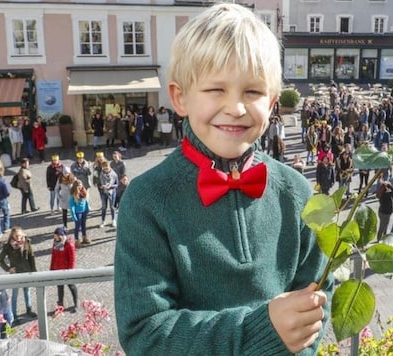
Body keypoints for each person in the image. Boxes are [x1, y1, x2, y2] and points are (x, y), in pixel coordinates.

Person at [114, 4, 332, 355]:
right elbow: (145, 333)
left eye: (253, 92)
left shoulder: (296, 191)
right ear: (180, 97)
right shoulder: (147, 200)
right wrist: (262, 330)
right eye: (216, 90)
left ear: (272, 101)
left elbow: (319, 296)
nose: (236, 107)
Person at [0, 227, 37, 320]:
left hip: (26, 271)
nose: (18, 238)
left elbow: (31, 257)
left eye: (19, 235)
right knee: (15, 294)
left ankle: (29, 309)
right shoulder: (8, 246)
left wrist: (34, 270)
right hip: (16, 273)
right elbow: (0, 260)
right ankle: (14, 314)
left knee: (27, 291)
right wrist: (8, 269)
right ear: (12, 236)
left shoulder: (27, 242)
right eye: (16, 236)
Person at [50, 226, 79, 313]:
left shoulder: (68, 244)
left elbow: (72, 258)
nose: (54, 237)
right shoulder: (55, 243)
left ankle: (76, 303)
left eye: (56, 235)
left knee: (72, 286)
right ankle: (60, 305)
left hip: (66, 270)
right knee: (60, 287)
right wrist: (52, 268)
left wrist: (70, 270)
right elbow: (53, 256)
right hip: (57, 269)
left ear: (60, 235)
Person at [69, 179, 90, 246]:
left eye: (81, 185)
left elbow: (86, 202)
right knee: (77, 227)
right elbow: (72, 206)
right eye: (79, 186)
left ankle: (84, 237)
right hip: (78, 213)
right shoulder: (73, 195)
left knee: (83, 225)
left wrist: (87, 209)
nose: (80, 187)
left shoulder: (84, 192)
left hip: (84, 211)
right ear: (76, 186)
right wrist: (73, 215)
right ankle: (77, 240)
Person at [97, 160, 118, 228]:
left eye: (107, 168)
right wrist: (102, 186)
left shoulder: (114, 174)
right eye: (104, 168)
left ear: (109, 167)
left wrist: (110, 186)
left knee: (112, 207)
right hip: (104, 192)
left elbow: (117, 184)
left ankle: (113, 220)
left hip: (112, 192)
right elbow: (99, 183)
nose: (106, 170)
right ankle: (103, 221)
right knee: (104, 207)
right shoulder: (101, 174)